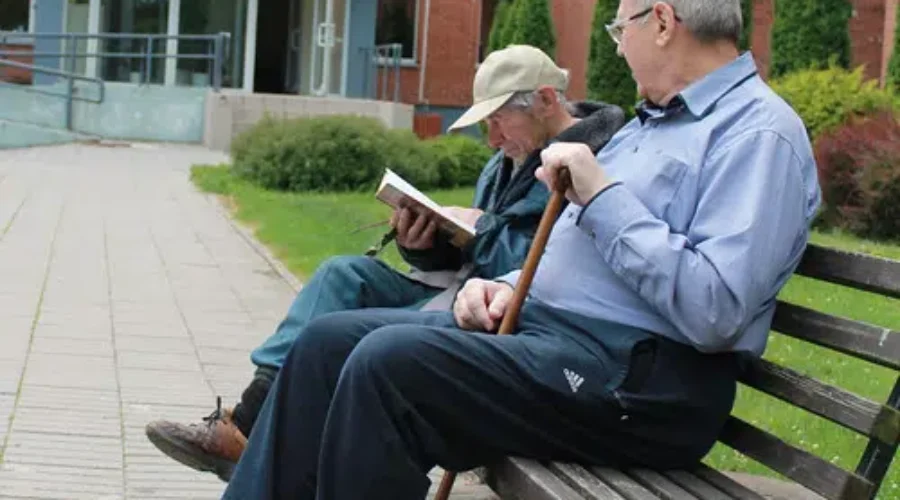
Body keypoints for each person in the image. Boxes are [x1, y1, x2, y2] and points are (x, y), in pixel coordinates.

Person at [220, 0, 824, 498]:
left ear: (662, 23)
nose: (618, 45)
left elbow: (716, 310)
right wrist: (502, 285)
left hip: (643, 382)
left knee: (389, 365)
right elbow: (568, 255)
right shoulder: (651, 127)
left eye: (621, 27)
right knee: (327, 343)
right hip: (561, 341)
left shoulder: (758, 134)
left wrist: (602, 194)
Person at [144, 44, 626, 482]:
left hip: (499, 320)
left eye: (499, 120)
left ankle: (252, 441)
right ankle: (247, 421)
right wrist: (424, 240)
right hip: (456, 291)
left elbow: (544, 268)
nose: (492, 139)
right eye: (486, 125)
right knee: (341, 273)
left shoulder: (593, 161)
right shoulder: (507, 159)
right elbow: (466, 256)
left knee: (342, 345)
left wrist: (479, 231)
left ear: (546, 99)